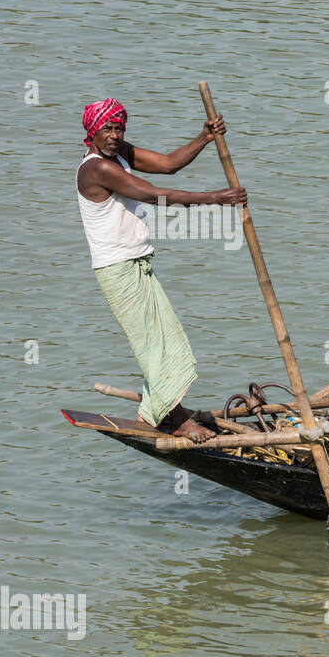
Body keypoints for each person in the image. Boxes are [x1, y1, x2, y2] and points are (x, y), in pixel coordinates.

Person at [76, 98, 246, 441]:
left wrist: (204, 137)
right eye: (106, 129)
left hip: (137, 264)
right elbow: (153, 195)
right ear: (92, 133)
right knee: (153, 346)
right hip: (117, 269)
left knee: (168, 342)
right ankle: (177, 419)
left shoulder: (119, 153)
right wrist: (217, 199)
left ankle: (157, 412)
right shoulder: (97, 169)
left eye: (118, 128)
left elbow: (168, 165)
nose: (113, 135)